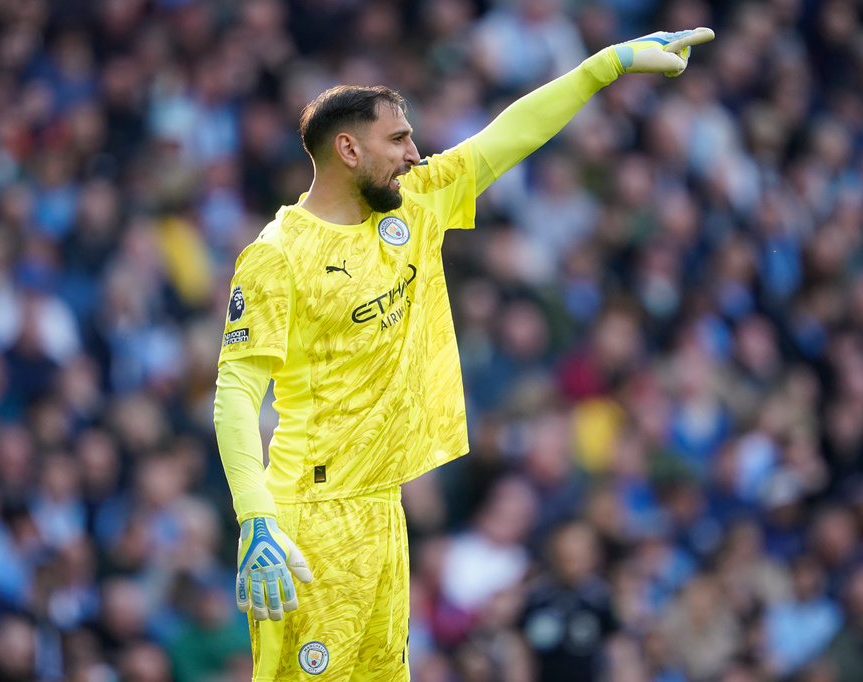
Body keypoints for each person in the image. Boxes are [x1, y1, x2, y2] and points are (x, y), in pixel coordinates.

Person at [212, 27, 715, 681]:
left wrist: (602, 67)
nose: (415, 153)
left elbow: (508, 137)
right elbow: (236, 393)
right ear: (348, 149)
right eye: (398, 140)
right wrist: (255, 518)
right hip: (311, 518)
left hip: (382, 507)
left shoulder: (414, 203)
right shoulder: (277, 256)